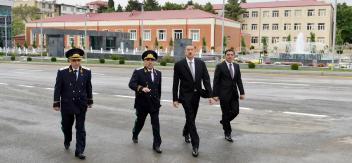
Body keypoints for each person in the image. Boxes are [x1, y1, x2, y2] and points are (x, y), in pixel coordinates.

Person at [53, 48, 93, 160]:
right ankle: (67, 138)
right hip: (67, 104)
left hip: (81, 104)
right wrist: (56, 103)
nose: (76, 63)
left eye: (78, 60)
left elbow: (88, 86)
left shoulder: (87, 71)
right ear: (69, 60)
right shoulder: (62, 72)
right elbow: (58, 88)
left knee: (80, 128)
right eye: (74, 60)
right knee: (66, 126)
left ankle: (79, 151)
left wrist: (89, 100)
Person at [172, 45, 212, 157]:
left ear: (195, 51)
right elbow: (176, 83)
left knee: (192, 117)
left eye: (191, 50)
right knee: (190, 117)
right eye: (188, 50)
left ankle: (185, 131)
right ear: (185, 52)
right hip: (185, 96)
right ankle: (195, 145)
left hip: (197, 95)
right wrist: (175, 99)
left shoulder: (201, 63)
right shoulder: (179, 65)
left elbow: (206, 79)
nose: (190, 51)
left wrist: (210, 95)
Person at [128, 50, 162, 153]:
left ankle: (157, 145)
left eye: (152, 60)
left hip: (154, 104)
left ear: (154, 61)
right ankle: (135, 134)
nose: (150, 62)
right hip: (142, 104)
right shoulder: (138, 72)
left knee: (156, 125)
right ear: (144, 61)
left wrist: (158, 100)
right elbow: (131, 84)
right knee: (140, 122)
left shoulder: (158, 73)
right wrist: (141, 88)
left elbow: (158, 89)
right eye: (147, 60)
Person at [212, 49, 245, 142]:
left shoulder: (236, 66)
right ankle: (227, 133)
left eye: (231, 55)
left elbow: (239, 80)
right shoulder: (220, 66)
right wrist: (215, 94)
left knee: (236, 111)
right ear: (225, 56)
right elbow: (216, 81)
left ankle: (224, 121)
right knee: (225, 113)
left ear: (234, 56)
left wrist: (242, 92)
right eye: (228, 54)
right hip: (223, 94)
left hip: (234, 94)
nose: (230, 56)